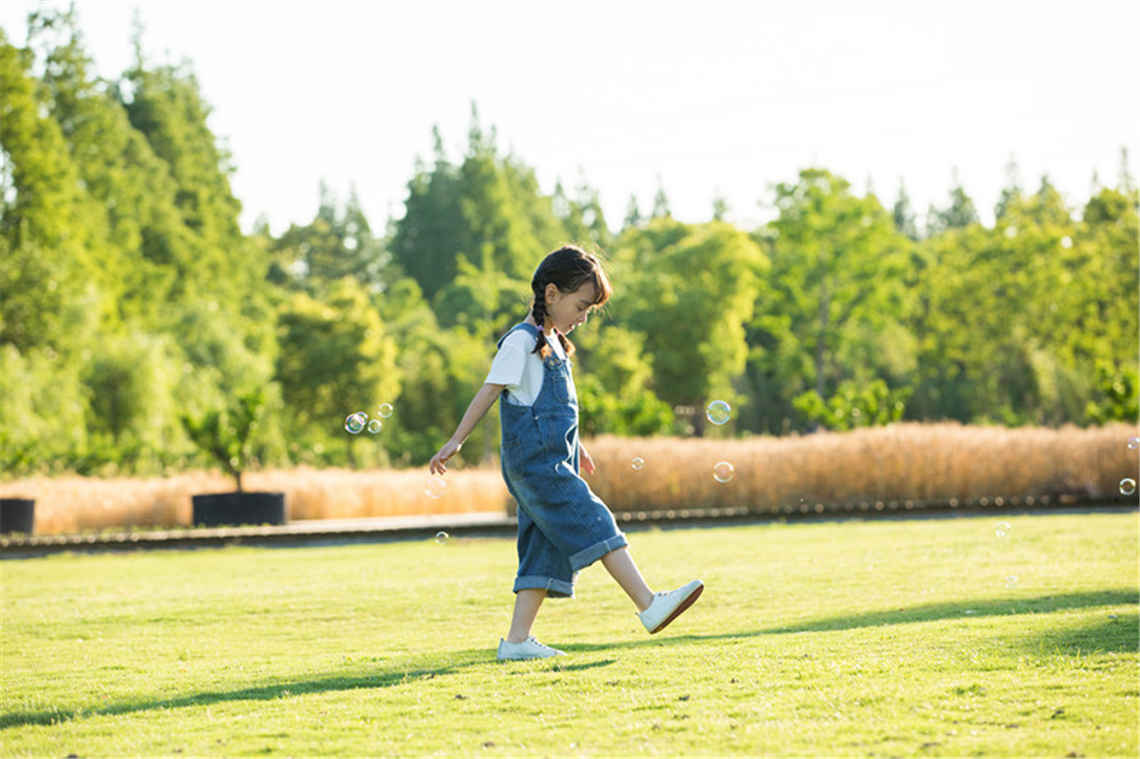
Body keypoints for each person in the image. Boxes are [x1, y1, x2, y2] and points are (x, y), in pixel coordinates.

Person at [429, 244, 703, 661]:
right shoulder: (520, 342)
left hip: (553, 461)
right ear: (552, 294)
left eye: (590, 310)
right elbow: (489, 391)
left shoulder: (554, 343)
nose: (583, 318)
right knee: (595, 518)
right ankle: (648, 604)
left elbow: (551, 409)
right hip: (537, 466)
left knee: (541, 547)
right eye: (581, 306)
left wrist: (579, 447)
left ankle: (516, 641)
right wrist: (457, 440)